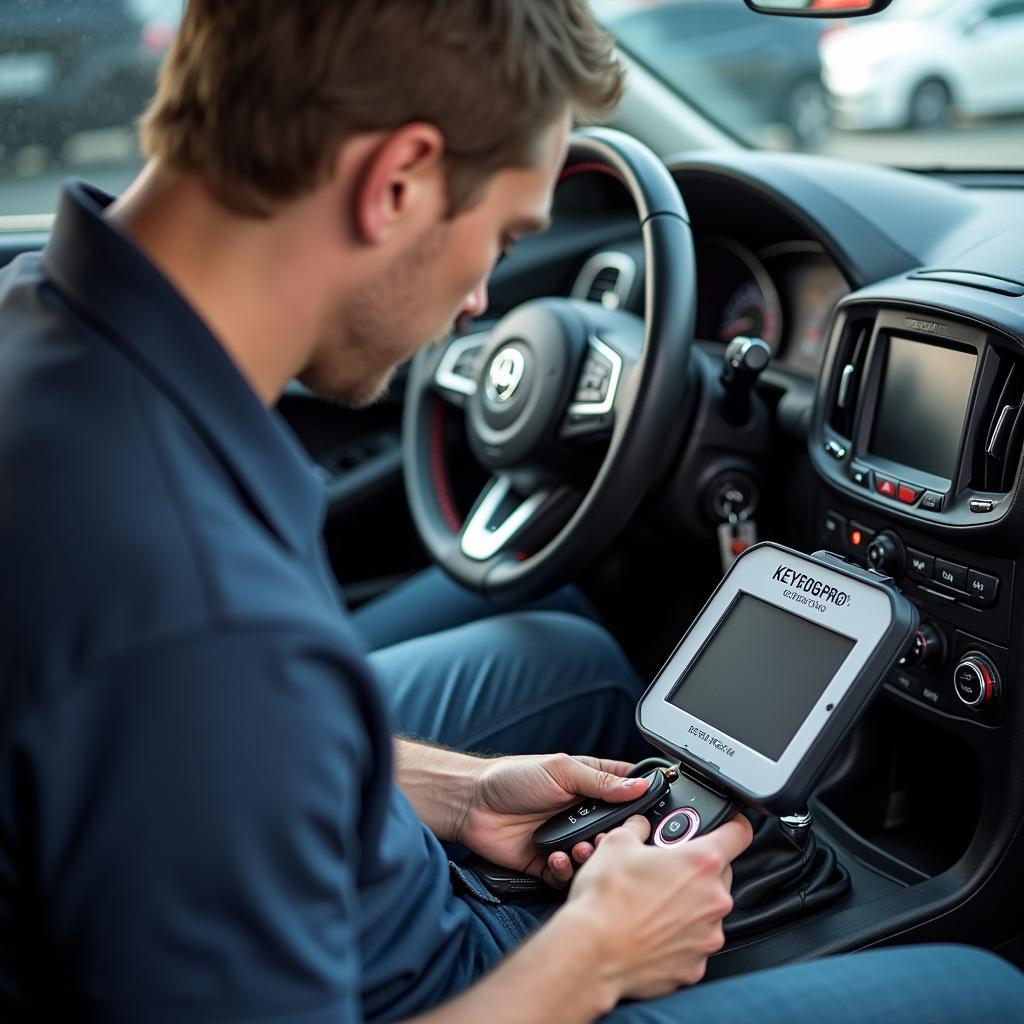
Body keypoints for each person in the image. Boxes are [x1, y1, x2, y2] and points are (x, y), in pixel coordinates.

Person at [1, 2, 1022, 1021]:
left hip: (347, 878)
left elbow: (217, 758)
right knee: (983, 991)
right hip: (432, 984)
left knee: (563, 656)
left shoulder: (38, 316)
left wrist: (459, 792)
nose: (482, 301)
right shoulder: (200, 617)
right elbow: (208, 704)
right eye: (502, 235)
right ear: (395, 182)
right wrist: (598, 951)